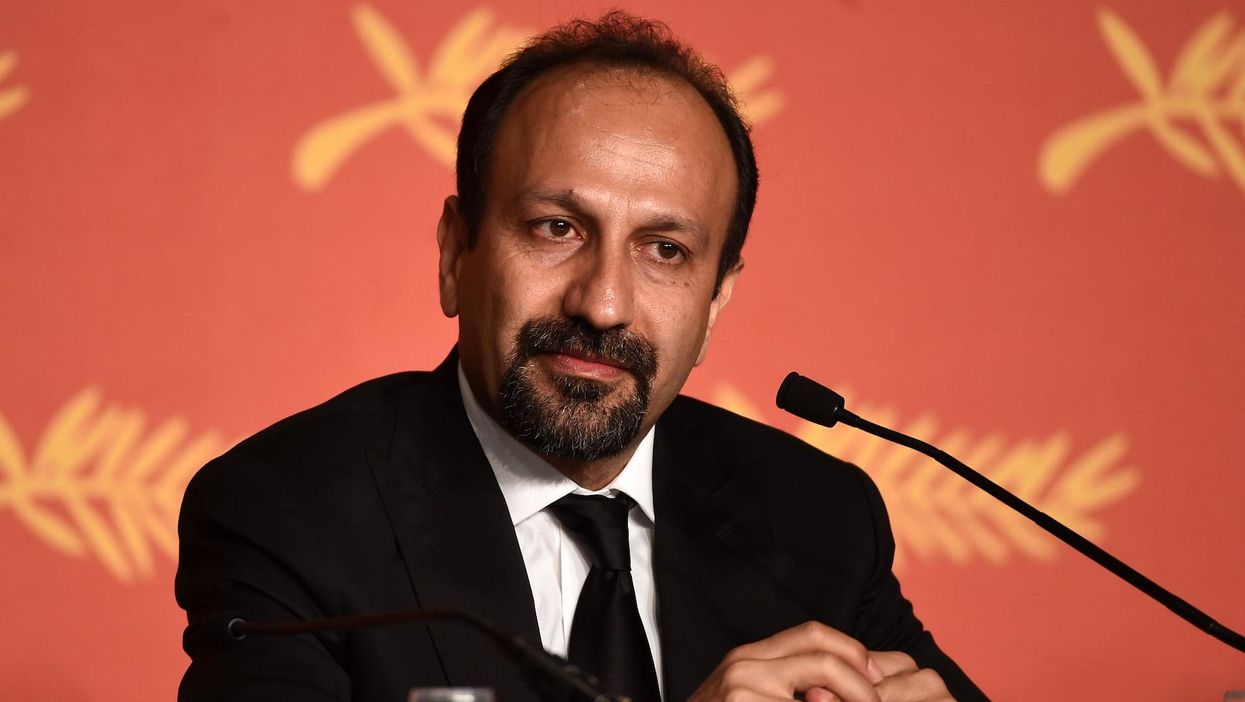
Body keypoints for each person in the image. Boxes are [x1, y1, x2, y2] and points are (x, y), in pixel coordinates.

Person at [176, 11, 986, 702]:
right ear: (457, 253)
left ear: (716, 302)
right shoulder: (287, 513)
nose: (601, 304)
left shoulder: (817, 517)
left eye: (664, 250)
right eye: (555, 229)